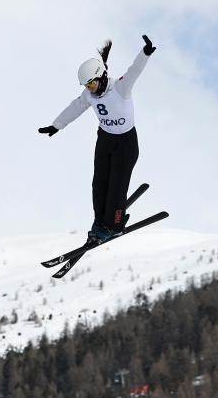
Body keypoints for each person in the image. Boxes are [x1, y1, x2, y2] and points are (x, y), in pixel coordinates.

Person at [38, 35, 157, 244]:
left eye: (91, 83)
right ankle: (99, 220)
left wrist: (145, 53)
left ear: (101, 77)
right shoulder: (89, 96)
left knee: (116, 185)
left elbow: (134, 71)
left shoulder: (120, 88)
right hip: (105, 140)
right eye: (86, 85)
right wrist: (57, 125)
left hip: (125, 144)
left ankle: (114, 225)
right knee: (99, 183)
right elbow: (75, 107)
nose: (89, 88)